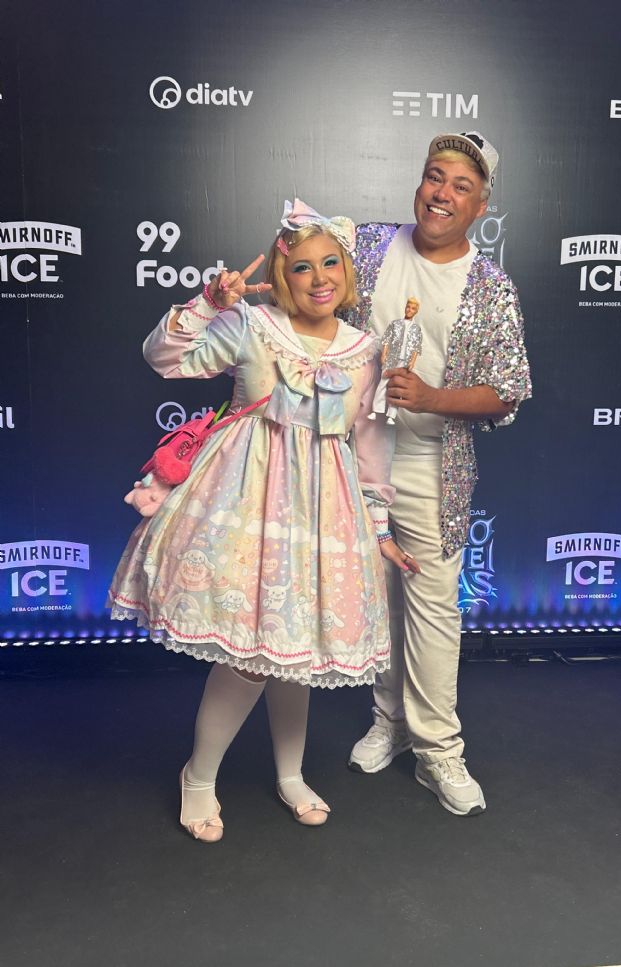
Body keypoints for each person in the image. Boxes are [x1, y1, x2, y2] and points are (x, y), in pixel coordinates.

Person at [108, 198, 419, 841]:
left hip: (324, 519)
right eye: (302, 267)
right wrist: (207, 305)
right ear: (283, 275)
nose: (319, 278)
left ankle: (290, 775)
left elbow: (369, 448)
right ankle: (199, 777)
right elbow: (163, 358)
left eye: (330, 263)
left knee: (292, 651)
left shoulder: (365, 351)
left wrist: (379, 526)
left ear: (347, 273)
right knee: (250, 658)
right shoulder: (252, 325)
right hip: (244, 511)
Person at [343, 132, 532, 816]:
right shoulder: (366, 245)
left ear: (481, 206)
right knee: (377, 598)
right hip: (349, 457)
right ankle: (389, 721)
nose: (442, 194)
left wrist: (430, 397)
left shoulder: (489, 287)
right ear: (418, 184)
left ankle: (439, 751)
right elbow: (302, 283)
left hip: (430, 464)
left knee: (430, 609)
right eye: (434, 176)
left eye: (461, 186)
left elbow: (507, 392)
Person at [368, 298, 422, 425]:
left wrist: (412, 362)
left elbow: (416, 347)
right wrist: (384, 354)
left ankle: (391, 415)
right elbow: (386, 339)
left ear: (416, 312)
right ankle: (375, 410)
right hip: (391, 357)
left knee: (398, 386)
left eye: (413, 308)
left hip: (405, 361)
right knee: (383, 383)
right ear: (405, 307)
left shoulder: (416, 329)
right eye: (408, 307)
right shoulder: (395, 324)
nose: (409, 310)